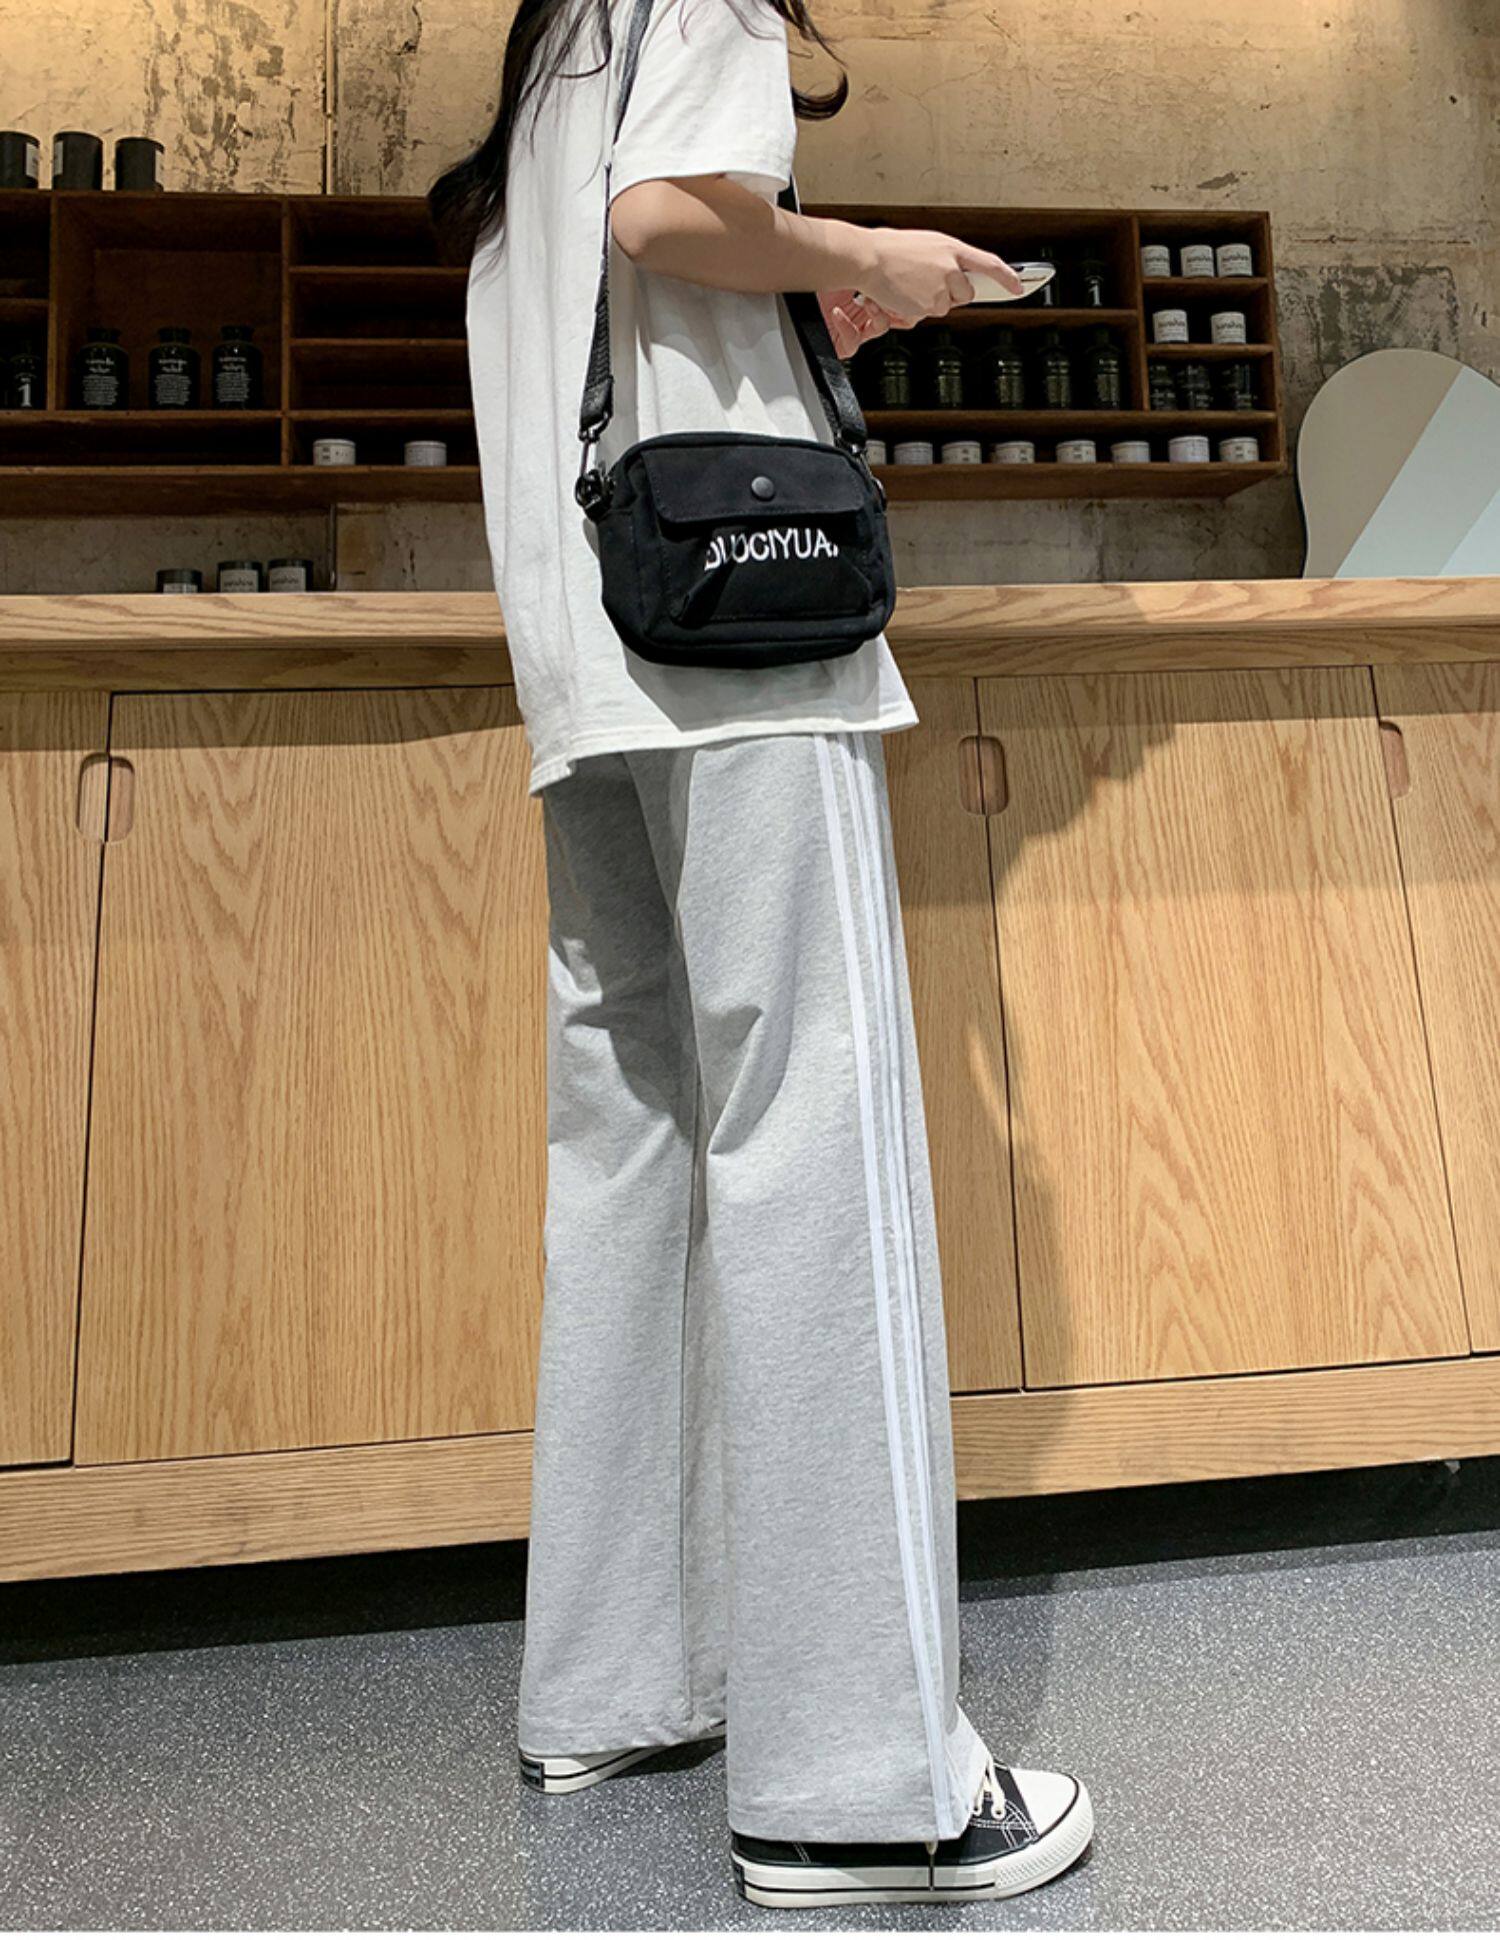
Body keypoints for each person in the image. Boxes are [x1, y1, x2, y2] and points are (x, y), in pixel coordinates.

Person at [431, 0, 1094, 1908]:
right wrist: (870, 250)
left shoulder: (562, 54)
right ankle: (865, 1790)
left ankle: (621, 1684)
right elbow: (669, 217)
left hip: (594, 667)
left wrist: (803, 292)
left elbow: (637, 248)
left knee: (632, 1155)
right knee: (820, 1145)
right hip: (740, 652)